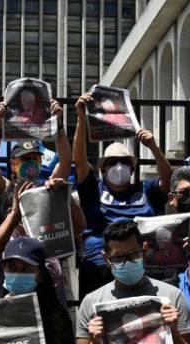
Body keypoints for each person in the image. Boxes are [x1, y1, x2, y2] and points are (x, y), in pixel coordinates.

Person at [72, 94, 172, 296]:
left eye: (125, 162)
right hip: (98, 263)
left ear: (133, 168)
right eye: (113, 162)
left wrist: (153, 147)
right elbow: (80, 161)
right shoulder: (93, 190)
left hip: (140, 264)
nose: (119, 166)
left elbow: (169, 179)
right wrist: (82, 119)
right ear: (102, 169)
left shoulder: (146, 189)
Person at [0, 176, 81, 302]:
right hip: (4, 317)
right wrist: (14, 215)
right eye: (31, 205)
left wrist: (63, 194)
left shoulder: (47, 237)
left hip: (48, 318)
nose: (39, 210)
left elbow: (79, 227)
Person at [0, 95, 76, 220]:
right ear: (13, 164)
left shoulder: (46, 187)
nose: (31, 163)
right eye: (25, 159)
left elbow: (65, 162)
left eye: (35, 158)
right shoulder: (4, 189)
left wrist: (58, 124)